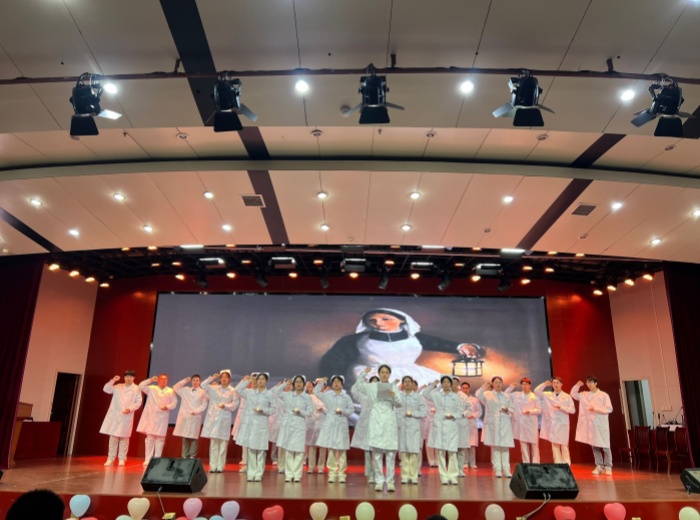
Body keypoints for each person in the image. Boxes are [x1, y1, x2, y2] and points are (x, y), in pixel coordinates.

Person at [319, 308, 484, 388]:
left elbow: (438, 343)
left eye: (385, 319)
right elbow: (332, 361)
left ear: (402, 320)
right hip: (370, 375)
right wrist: (330, 381)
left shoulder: (415, 337)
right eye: (372, 321)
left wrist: (461, 346)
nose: (378, 323)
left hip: (410, 372)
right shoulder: (355, 340)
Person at [353, 364, 403, 492]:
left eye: (387, 372)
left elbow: (399, 404)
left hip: (389, 419)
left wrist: (394, 396)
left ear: (389, 374)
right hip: (375, 419)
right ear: (379, 374)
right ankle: (379, 480)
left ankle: (390, 481)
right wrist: (364, 373)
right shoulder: (371, 386)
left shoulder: (393, 387)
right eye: (382, 372)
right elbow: (358, 386)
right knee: (377, 453)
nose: (384, 374)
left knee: (390, 453)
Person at [424, 375, 469, 485]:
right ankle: (444, 476)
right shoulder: (437, 395)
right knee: (441, 453)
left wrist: (453, 415)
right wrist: (434, 384)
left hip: (452, 424)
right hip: (439, 425)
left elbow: (460, 411)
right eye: (443, 382)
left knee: (452, 452)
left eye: (448, 382)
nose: (446, 384)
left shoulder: (456, 397)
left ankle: (453, 476)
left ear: (451, 384)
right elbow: (425, 394)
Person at [314, 375, 354, 484]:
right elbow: (316, 392)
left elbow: (351, 409)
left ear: (342, 384)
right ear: (331, 384)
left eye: (338, 382)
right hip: (330, 423)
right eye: (334, 382)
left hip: (341, 422)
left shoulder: (346, 397)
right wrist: (321, 382)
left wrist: (343, 412)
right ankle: (332, 473)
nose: (336, 383)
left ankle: (341, 474)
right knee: (331, 450)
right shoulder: (327, 395)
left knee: (342, 450)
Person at [235, 372, 275, 482]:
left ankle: (258, 473)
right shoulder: (250, 393)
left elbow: (273, 409)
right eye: (259, 379)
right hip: (251, 425)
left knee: (260, 450)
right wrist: (248, 381)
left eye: (263, 379)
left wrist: (263, 410)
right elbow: (237, 389)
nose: (260, 381)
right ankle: (251, 473)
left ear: (266, 381)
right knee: (251, 450)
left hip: (262, 424)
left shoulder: (269, 394)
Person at [571, 375, 613, 476]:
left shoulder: (603, 395)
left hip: (600, 425)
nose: (589, 384)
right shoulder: (584, 395)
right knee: (595, 446)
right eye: (587, 382)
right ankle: (599, 466)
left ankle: (608, 466)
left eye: (591, 382)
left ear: (596, 383)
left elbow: (609, 409)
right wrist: (577, 385)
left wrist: (596, 409)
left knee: (605, 446)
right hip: (591, 425)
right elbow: (573, 394)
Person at [99, 370, 142, 467]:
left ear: (134, 378)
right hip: (115, 416)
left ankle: (122, 459)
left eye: (131, 376)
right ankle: (110, 458)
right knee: (113, 438)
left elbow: (138, 402)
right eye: (127, 376)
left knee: (124, 438)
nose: (128, 378)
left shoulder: (136, 388)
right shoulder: (118, 386)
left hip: (126, 415)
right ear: (124, 377)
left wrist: (130, 409)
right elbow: (106, 389)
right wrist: (113, 380)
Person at [274, 375, 313, 482]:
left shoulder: (307, 397)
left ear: (304, 384)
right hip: (289, 424)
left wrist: (301, 412)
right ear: (293, 384)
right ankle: (289, 474)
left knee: (299, 450)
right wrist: (285, 384)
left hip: (300, 424)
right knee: (289, 450)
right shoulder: (288, 395)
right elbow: (276, 392)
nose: (298, 384)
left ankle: (297, 474)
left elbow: (309, 412)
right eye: (296, 382)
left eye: (300, 382)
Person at [201, 370, 239, 473]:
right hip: (214, 419)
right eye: (222, 377)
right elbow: (203, 385)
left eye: (226, 377)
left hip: (224, 419)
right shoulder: (214, 389)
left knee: (222, 444)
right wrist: (211, 378)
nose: (224, 379)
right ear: (220, 379)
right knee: (214, 444)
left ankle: (220, 466)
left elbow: (235, 404)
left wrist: (225, 405)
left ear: (229, 379)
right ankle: (213, 466)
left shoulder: (233, 391)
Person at [476, 376, 514, 478]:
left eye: (500, 382)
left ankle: (506, 469)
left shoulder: (507, 396)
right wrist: (484, 386)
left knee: (505, 446)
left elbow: (512, 409)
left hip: (505, 421)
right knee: (496, 446)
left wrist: (508, 410)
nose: (498, 384)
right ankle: (498, 469)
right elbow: (478, 395)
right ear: (492, 384)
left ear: (502, 384)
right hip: (493, 422)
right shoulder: (488, 394)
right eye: (496, 382)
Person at [136, 373, 177, 466]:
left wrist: (167, 407)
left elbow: (174, 402)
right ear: (158, 380)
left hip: (162, 417)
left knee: (160, 439)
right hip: (152, 416)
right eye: (161, 379)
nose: (163, 380)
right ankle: (148, 459)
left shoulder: (170, 391)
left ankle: (157, 459)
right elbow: (141, 386)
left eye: (165, 379)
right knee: (150, 438)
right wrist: (150, 380)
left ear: (167, 381)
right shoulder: (152, 388)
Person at [534, 378, 575, 464]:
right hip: (552, 423)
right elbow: (536, 391)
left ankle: (566, 463)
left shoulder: (567, 396)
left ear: (561, 384)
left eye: (557, 383)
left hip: (563, 423)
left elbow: (572, 410)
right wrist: (544, 384)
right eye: (554, 383)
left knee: (564, 444)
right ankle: (558, 463)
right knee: (555, 444)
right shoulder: (548, 395)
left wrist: (561, 407)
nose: (556, 385)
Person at [398, 375, 427, 484]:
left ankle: (413, 475)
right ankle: (405, 476)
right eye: (405, 381)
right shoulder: (399, 396)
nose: (407, 383)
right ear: (402, 384)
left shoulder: (418, 397)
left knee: (414, 452)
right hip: (403, 426)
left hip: (415, 426)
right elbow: (395, 410)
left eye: (409, 382)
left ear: (412, 384)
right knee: (404, 452)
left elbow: (424, 411)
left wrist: (413, 414)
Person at [506, 378, 542, 463]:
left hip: (531, 422)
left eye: (526, 384)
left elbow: (540, 410)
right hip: (520, 423)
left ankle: (535, 462)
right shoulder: (516, 395)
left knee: (534, 443)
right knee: (523, 443)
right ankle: (526, 462)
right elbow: (505, 394)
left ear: (530, 385)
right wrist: (511, 386)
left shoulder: (535, 397)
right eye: (523, 384)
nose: (524, 386)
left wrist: (530, 411)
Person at [351, 374, 379, 483]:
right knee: (367, 451)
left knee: (377, 450)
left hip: (377, 423)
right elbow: (354, 389)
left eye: (377, 382)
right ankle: (369, 474)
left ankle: (376, 473)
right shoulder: (363, 395)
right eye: (372, 382)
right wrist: (362, 376)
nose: (374, 384)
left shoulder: (381, 396)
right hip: (366, 424)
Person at [173, 374, 209, 459]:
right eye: (194, 380)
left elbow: (204, 405)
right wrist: (185, 381)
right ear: (191, 381)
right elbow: (175, 387)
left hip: (195, 416)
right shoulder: (185, 390)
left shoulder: (203, 392)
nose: (195, 382)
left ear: (200, 381)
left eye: (197, 380)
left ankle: (192, 455)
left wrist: (195, 411)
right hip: (185, 417)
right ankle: (184, 455)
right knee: (185, 436)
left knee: (194, 437)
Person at [232, 372, 257, 472]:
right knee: (245, 442)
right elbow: (236, 390)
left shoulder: (263, 393)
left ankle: (253, 464)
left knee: (254, 443)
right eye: (252, 380)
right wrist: (244, 380)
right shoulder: (246, 391)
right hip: (245, 419)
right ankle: (246, 462)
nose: (254, 382)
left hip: (256, 420)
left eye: (256, 380)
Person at [452, 377, 471, 477]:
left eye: (456, 383)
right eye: (452, 383)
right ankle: (453, 469)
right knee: (452, 449)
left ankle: (460, 469)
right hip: (451, 424)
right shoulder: (447, 395)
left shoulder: (463, 396)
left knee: (461, 448)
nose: (454, 385)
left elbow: (470, 409)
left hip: (462, 424)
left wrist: (463, 414)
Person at [461, 381, 482, 470]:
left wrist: (473, 415)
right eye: (463, 388)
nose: (465, 390)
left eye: (467, 388)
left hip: (472, 423)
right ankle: (465, 462)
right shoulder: (458, 399)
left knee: (472, 444)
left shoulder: (475, 400)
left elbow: (479, 411)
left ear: (469, 389)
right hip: (463, 423)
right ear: (461, 389)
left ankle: (473, 463)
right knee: (464, 444)